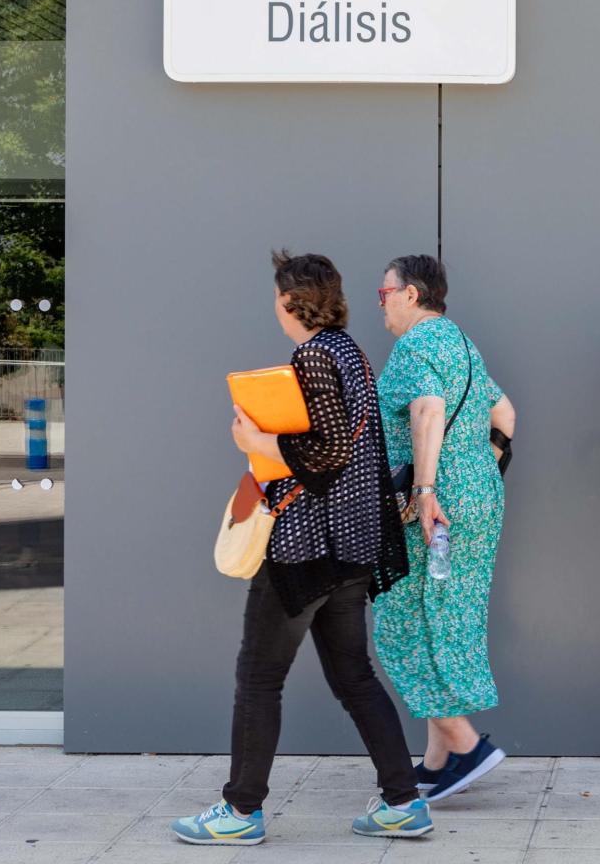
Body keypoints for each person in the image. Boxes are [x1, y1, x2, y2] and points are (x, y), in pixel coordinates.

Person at [173, 251, 432, 847]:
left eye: (276, 296)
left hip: (305, 547)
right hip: (351, 547)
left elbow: (328, 450)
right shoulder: (350, 352)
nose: (274, 305)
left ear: (291, 302)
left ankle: (240, 812)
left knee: (259, 678)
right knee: (353, 677)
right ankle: (402, 802)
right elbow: (340, 443)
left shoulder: (313, 354)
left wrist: (258, 439)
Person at [372, 254, 516, 803]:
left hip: (431, 510)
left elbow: (428, 410)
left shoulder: (413, 347)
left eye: (384, 294)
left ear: (410, 294)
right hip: (479, 500)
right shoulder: (461, 344)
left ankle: (466, 744)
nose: (381, 304)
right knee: (448, 617)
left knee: (403, 622)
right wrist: (479, 470)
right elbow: (505, 416)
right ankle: (437, 762)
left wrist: (428, 490)